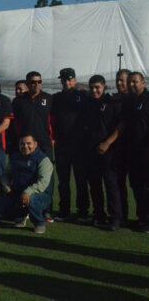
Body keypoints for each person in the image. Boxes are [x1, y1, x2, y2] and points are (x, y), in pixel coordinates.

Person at [0, 135, 53, 234]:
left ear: (35, 144)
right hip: (18, 193)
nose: (25, 146)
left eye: (29, 143)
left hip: (40, 195)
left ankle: (39, 222)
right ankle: (20, 215)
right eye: (22, 144)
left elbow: (43, 182)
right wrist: (7, 187)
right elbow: (6, 174)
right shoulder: (15, 157)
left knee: (31, 200)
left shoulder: (43, 160)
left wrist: (27, 192)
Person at [83, 75, 122, 230]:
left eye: (97, 87)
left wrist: (107, 143)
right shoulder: (88, 104)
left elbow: (120, 126)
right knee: (95, 185)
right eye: (92, 87)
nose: (94, 90)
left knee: (111, 185)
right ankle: (99, 215)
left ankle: (116, 219)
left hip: (109, 152)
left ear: (104, 87)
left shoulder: (112, 103)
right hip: (91, 151)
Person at [51, 68, 89, 223]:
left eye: (69, 79)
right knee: (64, 181)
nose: (66, 82)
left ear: (75, 80)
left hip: (79, 146)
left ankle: (83, 212)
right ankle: (64, 210)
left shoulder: (83, 96)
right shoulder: (56, 98)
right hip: (62, 145)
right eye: (64, 79)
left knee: (81, 180)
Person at [121, 72, 149, 232]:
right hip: (132, 151)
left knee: (147, 187)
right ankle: (141, 218)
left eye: (135, 82)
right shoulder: (129, 102)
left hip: (145, 151)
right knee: (136, 186)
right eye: (130, 82)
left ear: (143, 83)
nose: (132, 85)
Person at [12, 71, 53, 158]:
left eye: (39, 82)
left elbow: (54, 120)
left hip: (44, 142)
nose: (37, 84)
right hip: (26, 143)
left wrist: (53, 138)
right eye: (33, 82)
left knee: (46, 169)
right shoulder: (19, 101)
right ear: (27, 83)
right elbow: (15, 123)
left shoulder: (49, 98)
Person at [112, 69, 131, 222]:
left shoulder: (137, 99)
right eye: (117, 80)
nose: (119, 83)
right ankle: (121, 215)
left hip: (136, 149)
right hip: (118, 150)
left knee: (140, 185)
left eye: (122, 80)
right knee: (118, 184)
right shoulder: (114, 100)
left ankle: (144, 217)